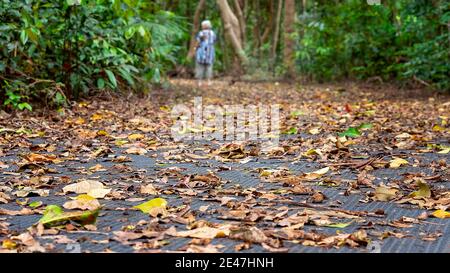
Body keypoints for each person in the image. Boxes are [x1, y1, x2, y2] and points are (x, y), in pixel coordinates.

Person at [195, 20, 217, 86]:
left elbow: (198, 42)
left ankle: (200, 82)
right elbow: (215, 41)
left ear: (204, 26)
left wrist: (195, 48)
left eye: (202, 25)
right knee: (209, 66)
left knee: (200, 66)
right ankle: (209, 81)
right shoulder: (213, 33)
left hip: (201, 51)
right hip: (210, 51)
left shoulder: (201, 33)